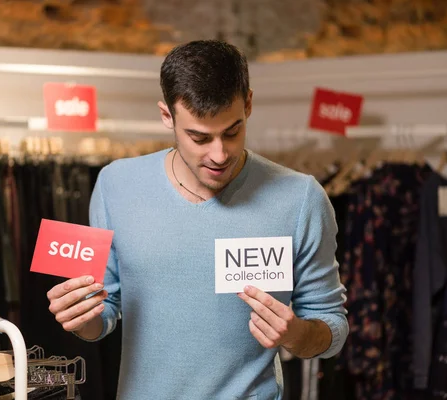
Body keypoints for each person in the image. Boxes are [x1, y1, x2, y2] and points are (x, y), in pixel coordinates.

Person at [47, 39, 348, 399]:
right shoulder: (116, 185)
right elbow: (106, 311)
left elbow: (332, 324)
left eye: (232, 132)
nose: (219, 154)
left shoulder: (301, 198)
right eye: (199, 137)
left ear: (248, 104)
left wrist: (296, 334)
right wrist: (83, 319)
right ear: (166, 116)